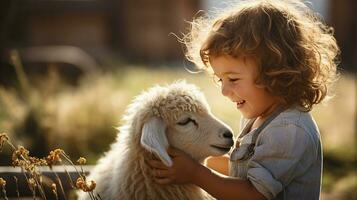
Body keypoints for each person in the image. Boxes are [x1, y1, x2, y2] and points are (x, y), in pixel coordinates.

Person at [148, 0, 339, 199]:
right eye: (220, 79)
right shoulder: (258, 116)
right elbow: (238, 170)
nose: (223, 90)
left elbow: (253, 193)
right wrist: (191, 159)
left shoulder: (289, 130)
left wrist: (195, 174)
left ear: (273, 71)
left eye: (233, 79)